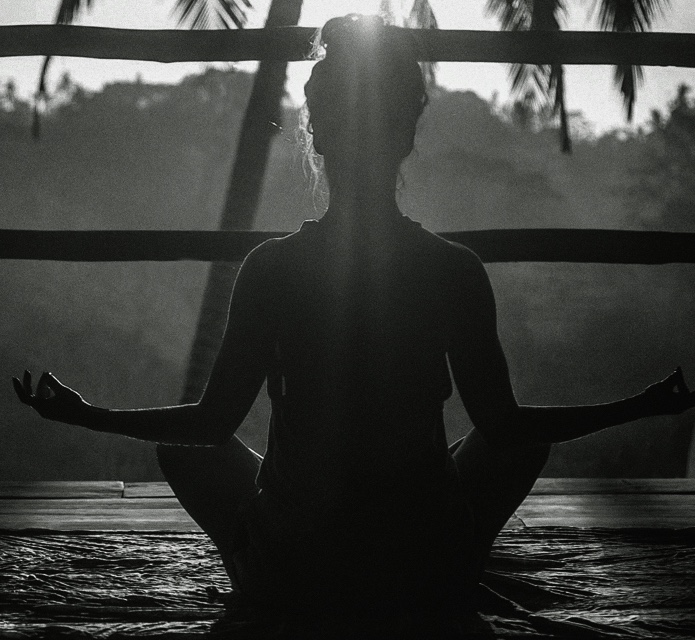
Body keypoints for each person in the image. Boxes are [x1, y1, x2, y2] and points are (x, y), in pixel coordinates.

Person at [13, 13, 695, 623]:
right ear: (406, 137)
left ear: (317, 135)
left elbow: (210, 424)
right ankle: (445, 568)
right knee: (513, 444)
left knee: (186, 452)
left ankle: (264, 574)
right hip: (418, 567)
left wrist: (88, 416)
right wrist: (638, 405)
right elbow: (506, 427)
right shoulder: (451, 269)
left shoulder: (272, 269)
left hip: (298, 570)